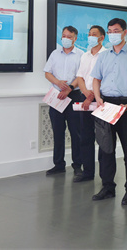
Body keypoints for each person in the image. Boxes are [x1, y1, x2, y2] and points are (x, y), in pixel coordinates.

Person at [91, 18, 127, 205]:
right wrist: (98, 98)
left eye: (116, 31)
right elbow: (96, 79)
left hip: (125, 106)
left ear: (124, 32)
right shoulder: (103, 56)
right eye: (110, 31)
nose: (112, 34)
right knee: (105, 148)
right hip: (106, 105)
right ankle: (107, 187)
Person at [43, 26, 84, 177]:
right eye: (64, 36)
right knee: (57, 131)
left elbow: (81, 77)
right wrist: (58, 83)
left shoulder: (81, 55)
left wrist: (69, 89)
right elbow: (47, 73)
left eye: (69, 36)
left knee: (76, 132)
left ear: (75, 38)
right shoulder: (55, 54)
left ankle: (77, 165)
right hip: (56, 95)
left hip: (74, 95)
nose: (65, 39)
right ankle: (59, 164)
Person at [73, 25, 107, 182]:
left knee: (102, 138)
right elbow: (80, 77)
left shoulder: (106, 55)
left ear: (102, 38)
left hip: (100, 99)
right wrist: (85, 93)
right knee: (85, 136)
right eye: (89, 34)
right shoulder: (85, 55)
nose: (90, 36)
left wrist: (92, 95)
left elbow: (102, 79)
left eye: (94, 34)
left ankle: (105, 174)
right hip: (84, 98)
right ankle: (87, 172)